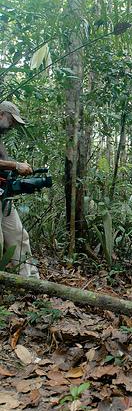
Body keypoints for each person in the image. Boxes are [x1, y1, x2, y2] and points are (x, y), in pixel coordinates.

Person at [0, 101, 39, 278]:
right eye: (11, 120)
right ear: (1, 114)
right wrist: (15, 165)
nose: (13, 125)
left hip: (4, 195)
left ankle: (30, 280)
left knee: (19, 236)